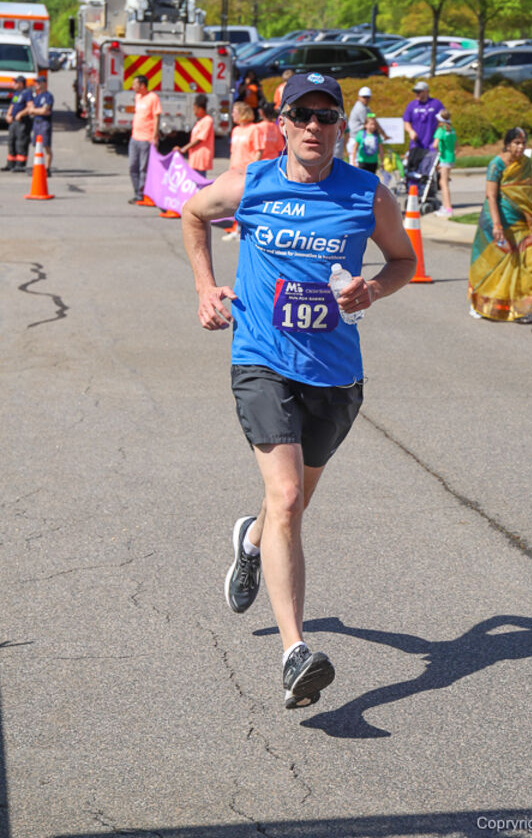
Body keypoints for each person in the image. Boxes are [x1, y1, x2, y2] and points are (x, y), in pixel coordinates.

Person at [181, 72, 415, 711]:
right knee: (285, 497)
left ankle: (250, 540)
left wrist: (374, 288)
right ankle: (295, 653)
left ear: (341, 126)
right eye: (302, 114)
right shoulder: (252, 183)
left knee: (291, 504)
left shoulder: (367, 193)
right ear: (281, 123)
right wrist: (205, 286)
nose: (315, 125)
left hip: (336, 375)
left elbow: (403, 261)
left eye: (327, 115)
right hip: (262, 361)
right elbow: (193, 213)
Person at [468, 126, 532, 322]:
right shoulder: (496, 165)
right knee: (493, 265)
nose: (520, 147)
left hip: (521, 221)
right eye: (516, 143)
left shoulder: (525, 163)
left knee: (527, 263)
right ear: (507, 144)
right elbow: (491, 196)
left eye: (523, 143)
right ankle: (480, 304)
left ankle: (524, 308)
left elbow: (529, 190)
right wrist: (497, 225)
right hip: (497, 219)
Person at [129, 74, 161, 203]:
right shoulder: (137, 97)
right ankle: (137, 192)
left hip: (146, 139)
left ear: (142, 85)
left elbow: (156, 118)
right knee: (133, 167)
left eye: (135, 84)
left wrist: (154, 136)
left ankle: (142, 194)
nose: (133, 86)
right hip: (134, 137)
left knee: (143, 168)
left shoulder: (153, 98)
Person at [174, 94, 214, 177]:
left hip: (201, 158)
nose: (194, 112)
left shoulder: (208, 121)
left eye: (194, 109)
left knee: (199, 180)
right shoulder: (199, 121)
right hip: (195, 158)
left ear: (200, 109)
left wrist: (184, 149)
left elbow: (199, 139)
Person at [2, 76, 34, 172]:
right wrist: (8, 115)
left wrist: (21, 114)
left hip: (22, 122)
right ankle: (11, 164)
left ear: (20, 84)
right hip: (14, 122)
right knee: (11, 142)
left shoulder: (27, 93)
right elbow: (12, 105)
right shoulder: (16, 93)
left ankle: (20, 165)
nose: (13, 84)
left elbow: (30, 106)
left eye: (15, 82)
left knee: (21, 143)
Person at [402, 81, 444, 150]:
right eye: (415, 92)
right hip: (416, 144)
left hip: (432, 144)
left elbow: (443, 121)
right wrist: (410, 131)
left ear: (426, 92)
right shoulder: (411, 105)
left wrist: (438, 137)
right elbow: (406, 122)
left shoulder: (436, 104)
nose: (416, 94)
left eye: (419, 92)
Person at [27, 74, 54, 176]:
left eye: (38, 82)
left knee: (46, 146)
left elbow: (45, 110)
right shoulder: (37, 96)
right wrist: (37, 110)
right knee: (37, 147)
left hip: (44, 123)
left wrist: (35, 110)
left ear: (44, 84)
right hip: (36, 122)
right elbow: (31, 109)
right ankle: (38, 168)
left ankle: (47, 169)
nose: (36, 84)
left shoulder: (48, 96)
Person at [432, 109, 456, 217]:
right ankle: (446, 206)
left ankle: (448, 207)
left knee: (443, 183)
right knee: (444, 182)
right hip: (451, 158)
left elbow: (435, 144)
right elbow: (456, 145)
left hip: (444, 158)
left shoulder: (440, 130)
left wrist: (439, 151)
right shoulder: (452, 130)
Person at [346, 87, 372, 161]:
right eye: (364, 97)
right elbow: (369, 123)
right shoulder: (361, 108)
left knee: (359, 163)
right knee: (355, 163)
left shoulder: (365, 107)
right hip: (355, 138)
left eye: (367, 97)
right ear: (359, 97)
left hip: (359, 138)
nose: (366, 99)